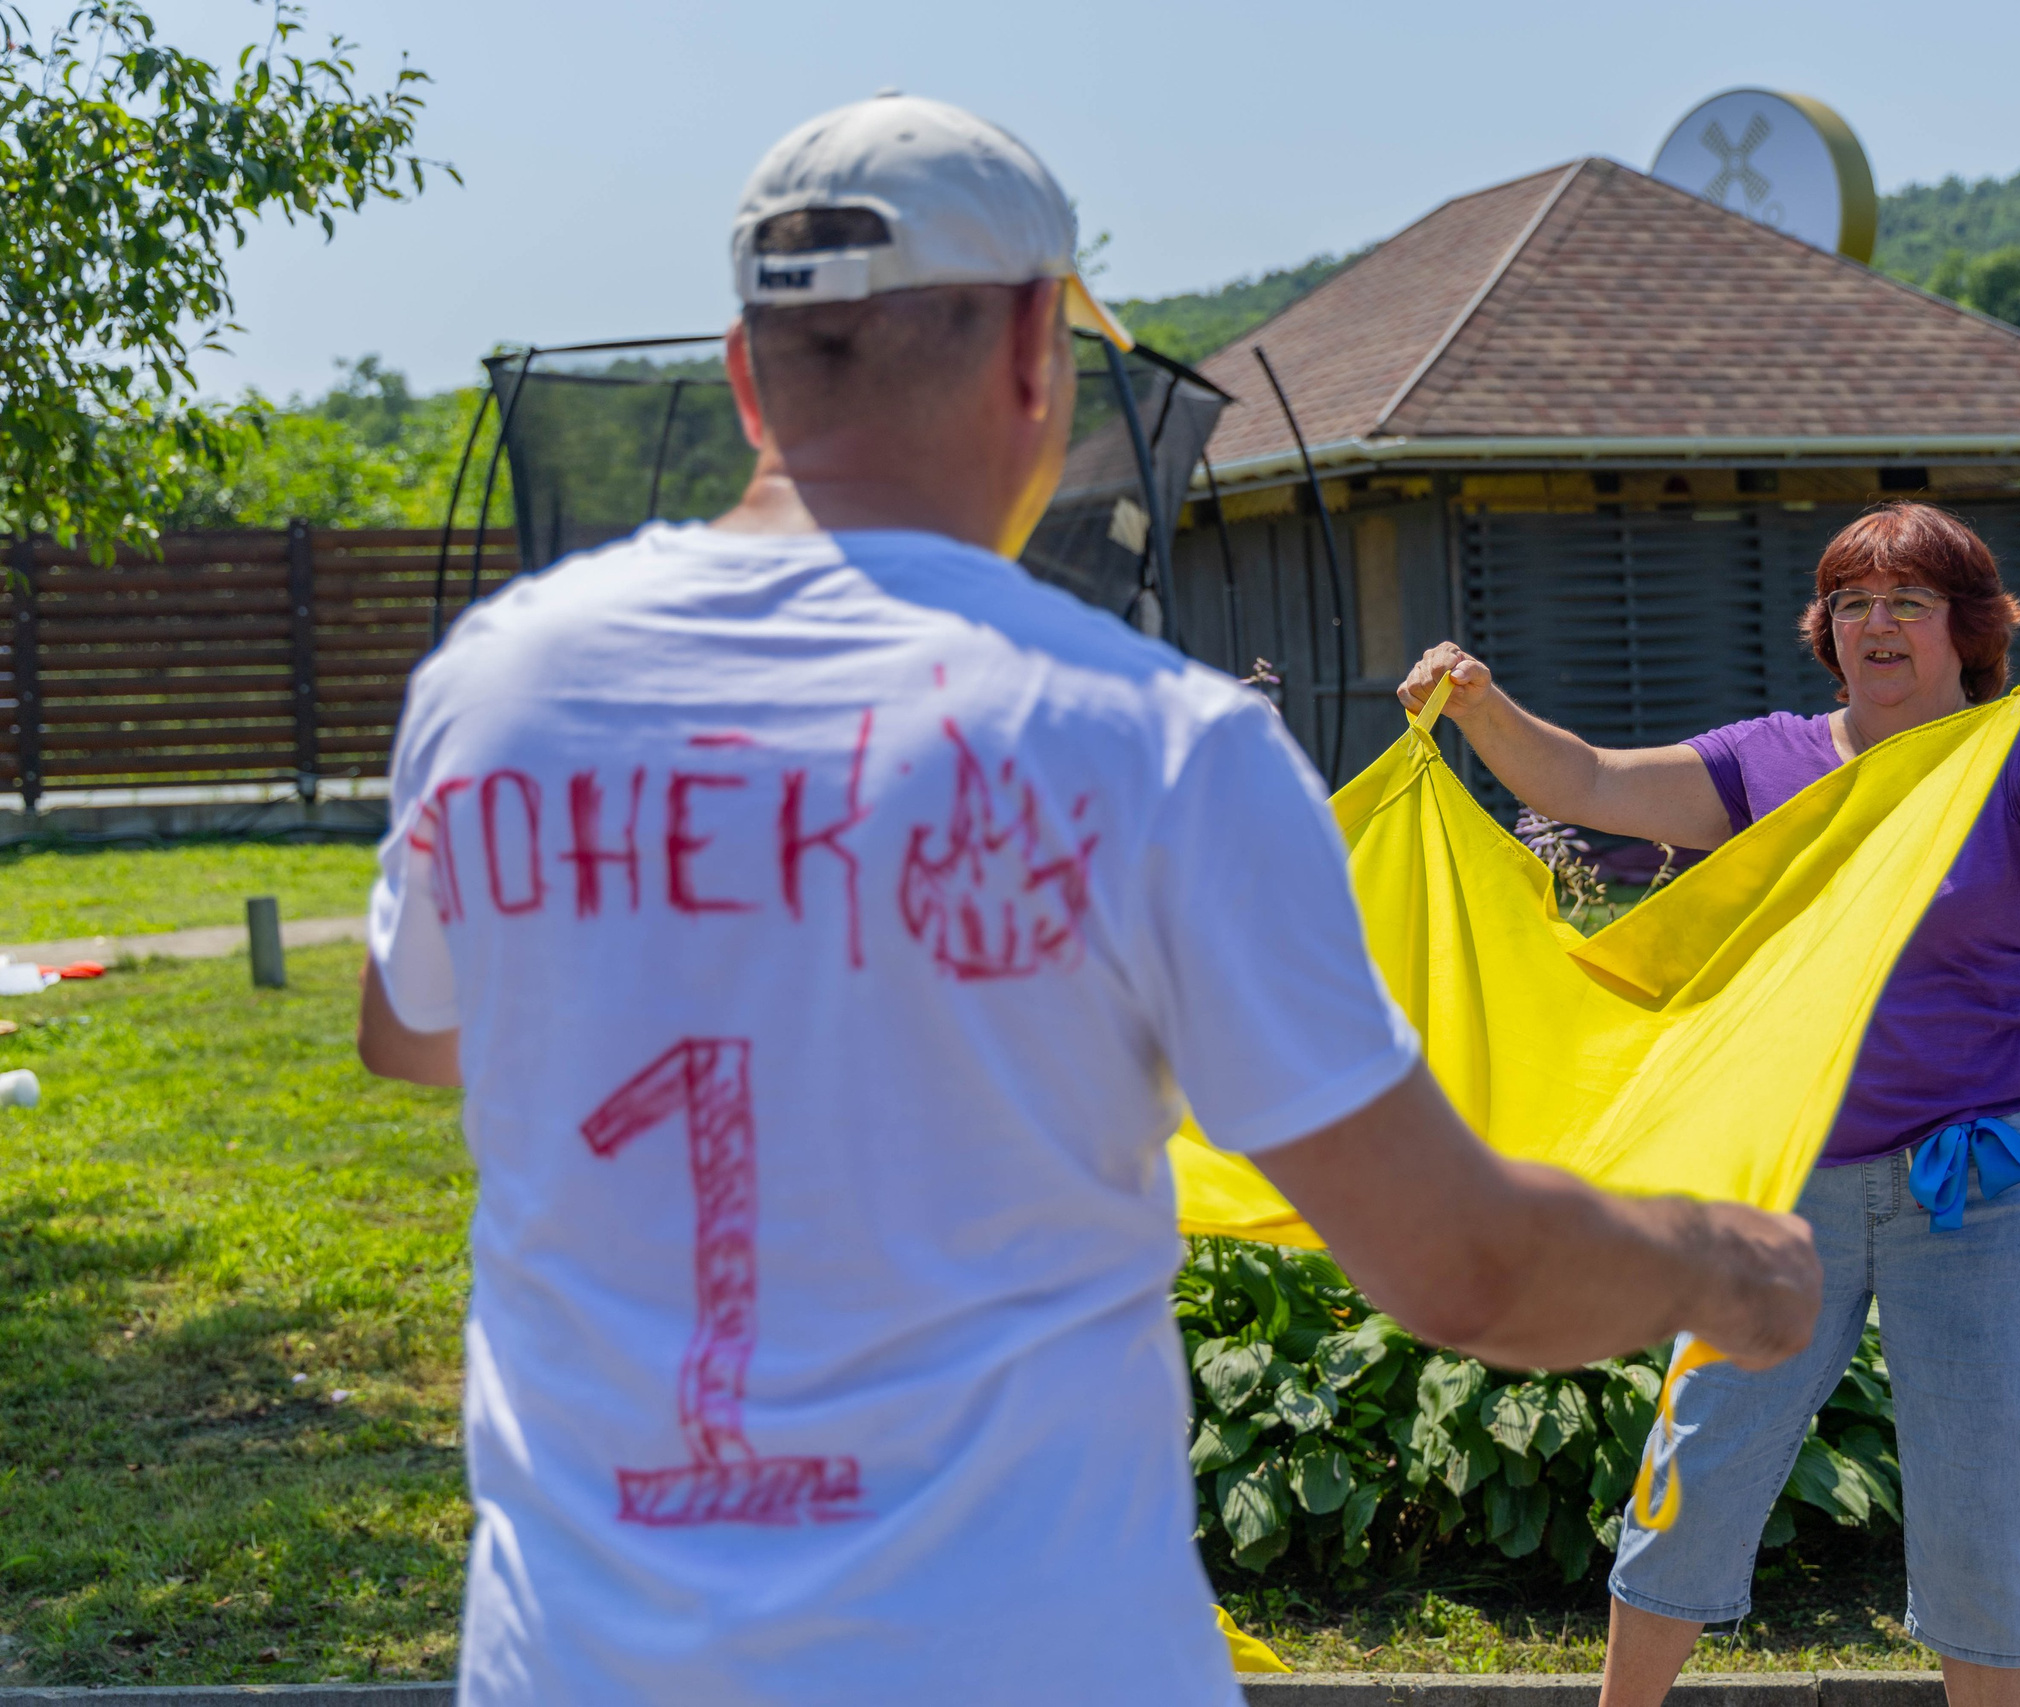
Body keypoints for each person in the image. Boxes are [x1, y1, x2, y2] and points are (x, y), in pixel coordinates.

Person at [355, 95, 1821, 1707]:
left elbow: (417, 1032)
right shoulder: (1150, 745)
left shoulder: (498, 686)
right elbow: (1459, 1265)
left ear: (743, 373)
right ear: (1042, 360)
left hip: (579, 1666)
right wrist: (1717, 1263)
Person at [1397, 503, 2020, 1707]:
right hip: (1781, 1178)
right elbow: (1593, 781)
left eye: (1909, 603)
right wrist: (1478, 705)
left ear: (1967, 631)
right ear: (1826, 628)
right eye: (1854, 602)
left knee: (1983, 1486)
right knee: (1699, 1461)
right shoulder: (1768, 761)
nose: (1877, 624)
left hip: (1979, 1182)